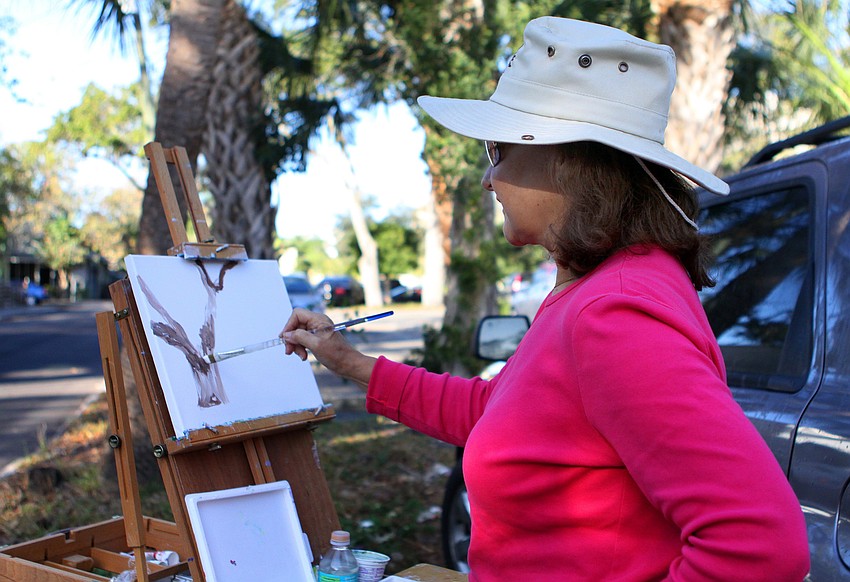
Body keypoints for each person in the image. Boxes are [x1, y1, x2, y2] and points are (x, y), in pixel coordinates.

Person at [282, 16, 810, 581]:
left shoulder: (615, 314)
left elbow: (758, 544)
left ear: (564, 158)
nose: (490, 179)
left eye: (497, 151)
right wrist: (348, 363)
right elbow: (500, 417)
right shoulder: (595, 288)